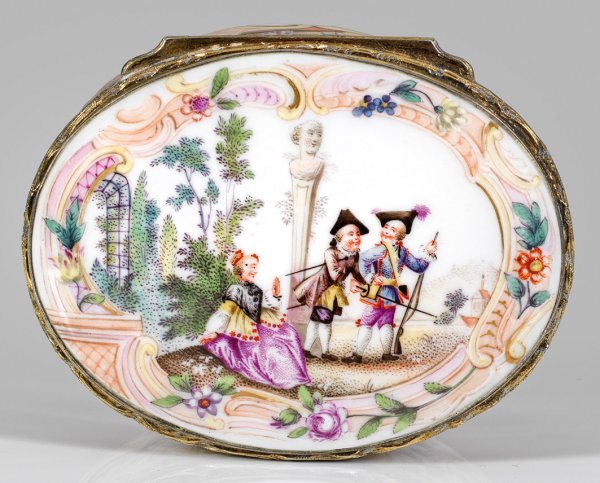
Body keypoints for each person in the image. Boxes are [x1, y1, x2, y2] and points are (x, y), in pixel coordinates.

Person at [199, 250, 311, 390]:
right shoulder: (235, 289)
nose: (254, 270)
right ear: (240, 268)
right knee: (268, 348)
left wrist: (276, 295)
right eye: (250, 266)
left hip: (260, 323)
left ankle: (296, 377)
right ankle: (286, 379)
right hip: (244, 329)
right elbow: (224, 313)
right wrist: (212, 331)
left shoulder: (256, 289)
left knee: (289, 333)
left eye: (255, 266)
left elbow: (269, 307)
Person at [342, 207, 437, 363]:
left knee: (368, 323)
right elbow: (363, 260)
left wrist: (428, 251)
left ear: (399, 235)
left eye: (392, 230)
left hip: (379, 294)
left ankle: (358, 355)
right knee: (385, 323)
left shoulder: (387, 250)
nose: (386, 231)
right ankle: (385, 354)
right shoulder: (399, 251)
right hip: (389, 294)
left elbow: (417, 267)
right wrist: (371, 277)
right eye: (386, 228)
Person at [294, 209, 368, 361]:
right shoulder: (331, 252)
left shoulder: (354, 255)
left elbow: (356, 273)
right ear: (340, 237)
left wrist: (366, 285)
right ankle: (325, 353)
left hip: (334, 292)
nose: (356, 237)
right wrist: (346, 262)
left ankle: (307, 351)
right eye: (351, 234)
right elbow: (334, 275)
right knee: (324, 321)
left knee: (316, 320)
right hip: (323, 290)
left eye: (358, 234)